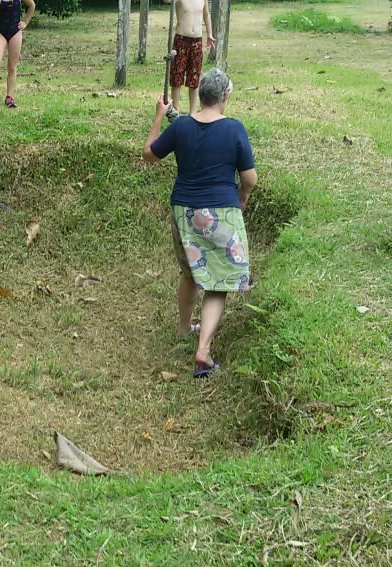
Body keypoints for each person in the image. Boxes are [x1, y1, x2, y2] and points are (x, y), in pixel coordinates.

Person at [143, 68, 257, 378]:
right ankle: (203, 349)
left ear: (202, 95)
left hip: (184, 210)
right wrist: (242, 197)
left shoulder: (180, 127)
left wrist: (158, 115)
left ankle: (183, 328)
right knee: (218, 281)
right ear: (225, 98)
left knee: (190, 272)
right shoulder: (235, 129)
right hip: (222, 210)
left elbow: (149, 155)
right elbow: (249, 179)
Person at [0, 0, 36, 110]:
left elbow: (32, 5)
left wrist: (26, 21)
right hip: (1, 33)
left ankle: (10, 97)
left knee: (12, 66)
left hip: (15, 32)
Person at [171, 0, 216, 116]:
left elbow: (206, 14)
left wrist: (209, 34)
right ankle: (175, 111)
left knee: (194, 77)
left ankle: (192, 112)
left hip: (197, 41)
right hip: (181, 39)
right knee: (177, 76)